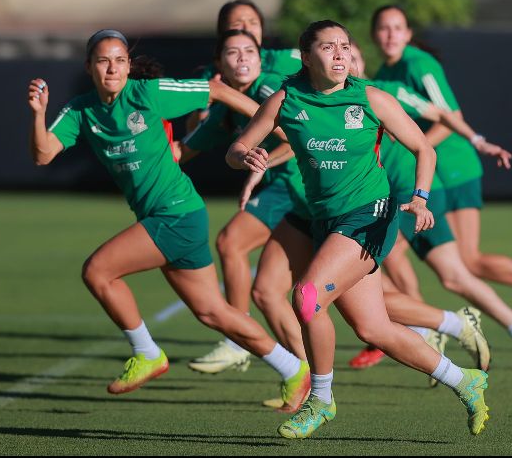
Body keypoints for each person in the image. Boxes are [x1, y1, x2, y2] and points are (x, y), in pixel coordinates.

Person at [227, 20, 490, 439]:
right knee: (374, 328)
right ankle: (465, 381)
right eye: (328, 47)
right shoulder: (286, 98)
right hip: (327, 222)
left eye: (344, 46)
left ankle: (322, 398)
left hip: (372, 214)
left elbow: (423, 146)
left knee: (307, 297)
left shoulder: (370, 97)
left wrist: (420, 197)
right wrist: (246, 158)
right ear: (306, 56)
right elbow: (236, 149)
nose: (339, 54)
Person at [26, 28, 310, 412]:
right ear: (89, 66)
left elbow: (217, 90)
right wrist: (39, 115)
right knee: (214, 312)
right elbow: (43, 155)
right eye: (104, 60)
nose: (113, 68)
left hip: (174, 212)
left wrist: (272, 125)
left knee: (98, 271)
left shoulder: (147, 93)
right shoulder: (81, 110)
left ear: (129, 66)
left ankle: (147, 353)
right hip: (176, 216)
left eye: (120, 60)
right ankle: (293, 369)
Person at [371, 4, 512, 348]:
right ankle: (441, 327)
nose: (391, 34)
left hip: (453, 168)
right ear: (373, 35)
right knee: (443, 265)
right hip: (427, 171)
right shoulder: (384, 72)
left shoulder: (418, 64)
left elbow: (449, 116)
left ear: (409, 34)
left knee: (463, 262)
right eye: (383, 28)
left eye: (398, 27)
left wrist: (436, 145)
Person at [345, 41, 512, 372]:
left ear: (363, 63)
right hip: (387, 195)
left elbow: (443, 115)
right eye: (337, 54)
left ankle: (433, 329)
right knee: (432, 270)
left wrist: (477, 141)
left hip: (414, 190)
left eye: (352, 56)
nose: (345, 62)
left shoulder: (384, 91)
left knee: (409, 265)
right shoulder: (329, 104)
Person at [185, 0, 305, 369]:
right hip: (287, 193)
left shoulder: (270, 83)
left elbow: (294, 139)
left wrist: (259, 163)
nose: (242, 53)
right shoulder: (222, 100)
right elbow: (187, 149)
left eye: (252, 29)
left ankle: (238, 340)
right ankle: (308, 378)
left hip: (299, 189)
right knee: (271, 293)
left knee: (232, 244)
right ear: (220, 57)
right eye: (233, 46)